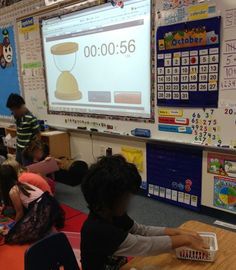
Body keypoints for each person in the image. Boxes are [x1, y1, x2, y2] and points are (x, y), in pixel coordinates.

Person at [81, 155, 209, 270]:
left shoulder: (113, 213)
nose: (128, 203)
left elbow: (141, 231)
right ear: (107, 199)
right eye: (125, 198)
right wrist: (185, 239)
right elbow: (145, 246)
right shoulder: (97, 230)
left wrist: (175, 231)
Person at [0, 164, 65, 244]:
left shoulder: (13, 191)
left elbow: (19, 212)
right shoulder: (22, 184)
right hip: (51, 203)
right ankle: (49, 228)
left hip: (42, 209)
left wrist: (13, 228)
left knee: (14, 236)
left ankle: (49, 232)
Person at [6, 93, 40, 165]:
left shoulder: (31, 118)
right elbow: (19, 133)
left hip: (27, 151)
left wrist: (32, 150)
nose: (13, 113)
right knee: (19, 168)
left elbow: (38, 135)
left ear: (20, 107)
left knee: (27, 169)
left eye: (13, 110)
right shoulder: (18, 117)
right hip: (19, 150)